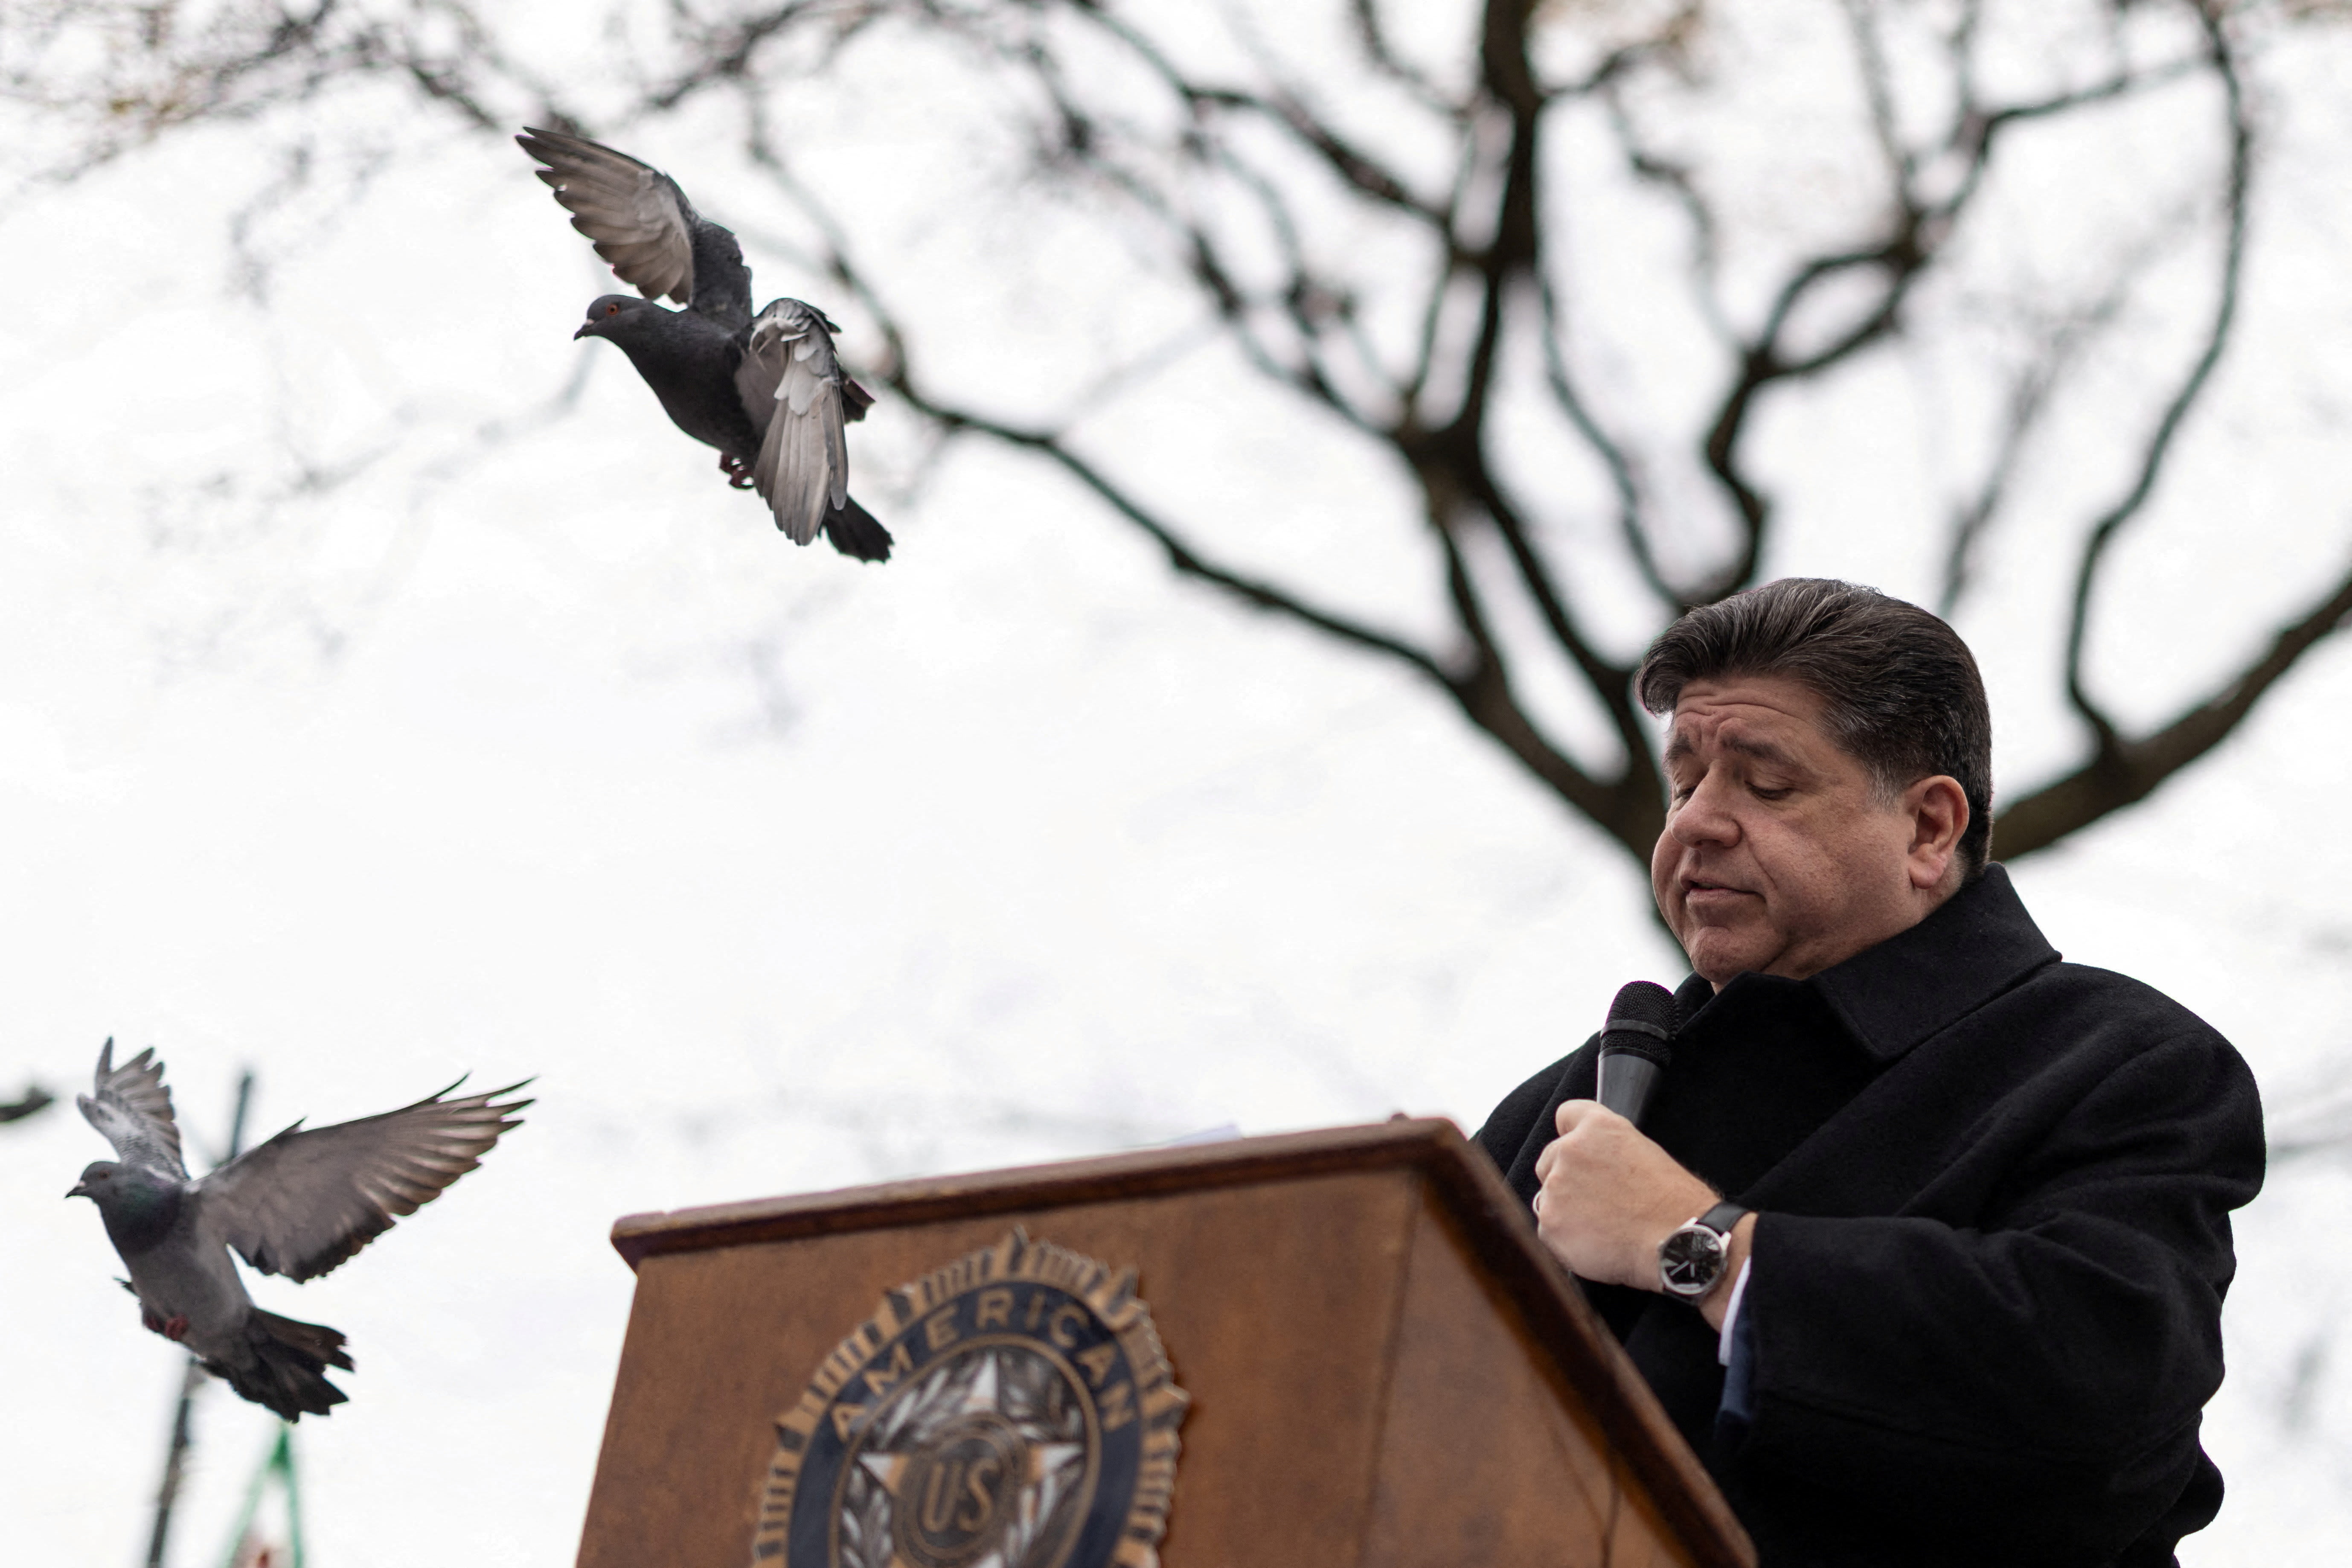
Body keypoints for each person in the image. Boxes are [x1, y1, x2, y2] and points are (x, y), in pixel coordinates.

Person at [1476, 579, 2264, 1567]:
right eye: (1684, 784)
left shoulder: (2119, 1061)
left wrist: (1703, 1246)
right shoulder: (1565, 1108)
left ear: (1930, 829)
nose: (1695, 825)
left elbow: (2101, 1397)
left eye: (1765, 784)